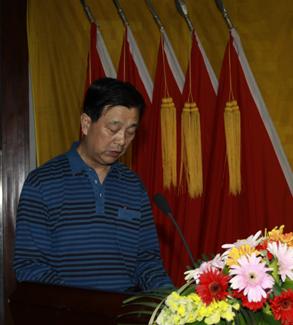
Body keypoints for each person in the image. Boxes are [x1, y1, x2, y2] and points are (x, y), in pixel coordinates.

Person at [13, 77, 173, 292]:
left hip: (123, 310)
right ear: (86, 124)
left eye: (130, 132)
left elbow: (147, 261)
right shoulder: (42, 182)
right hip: (66, 310)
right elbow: (30, 265)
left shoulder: (134, 186)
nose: (121, 141)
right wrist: (83, 305)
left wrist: (172, 299)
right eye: (113, 129)